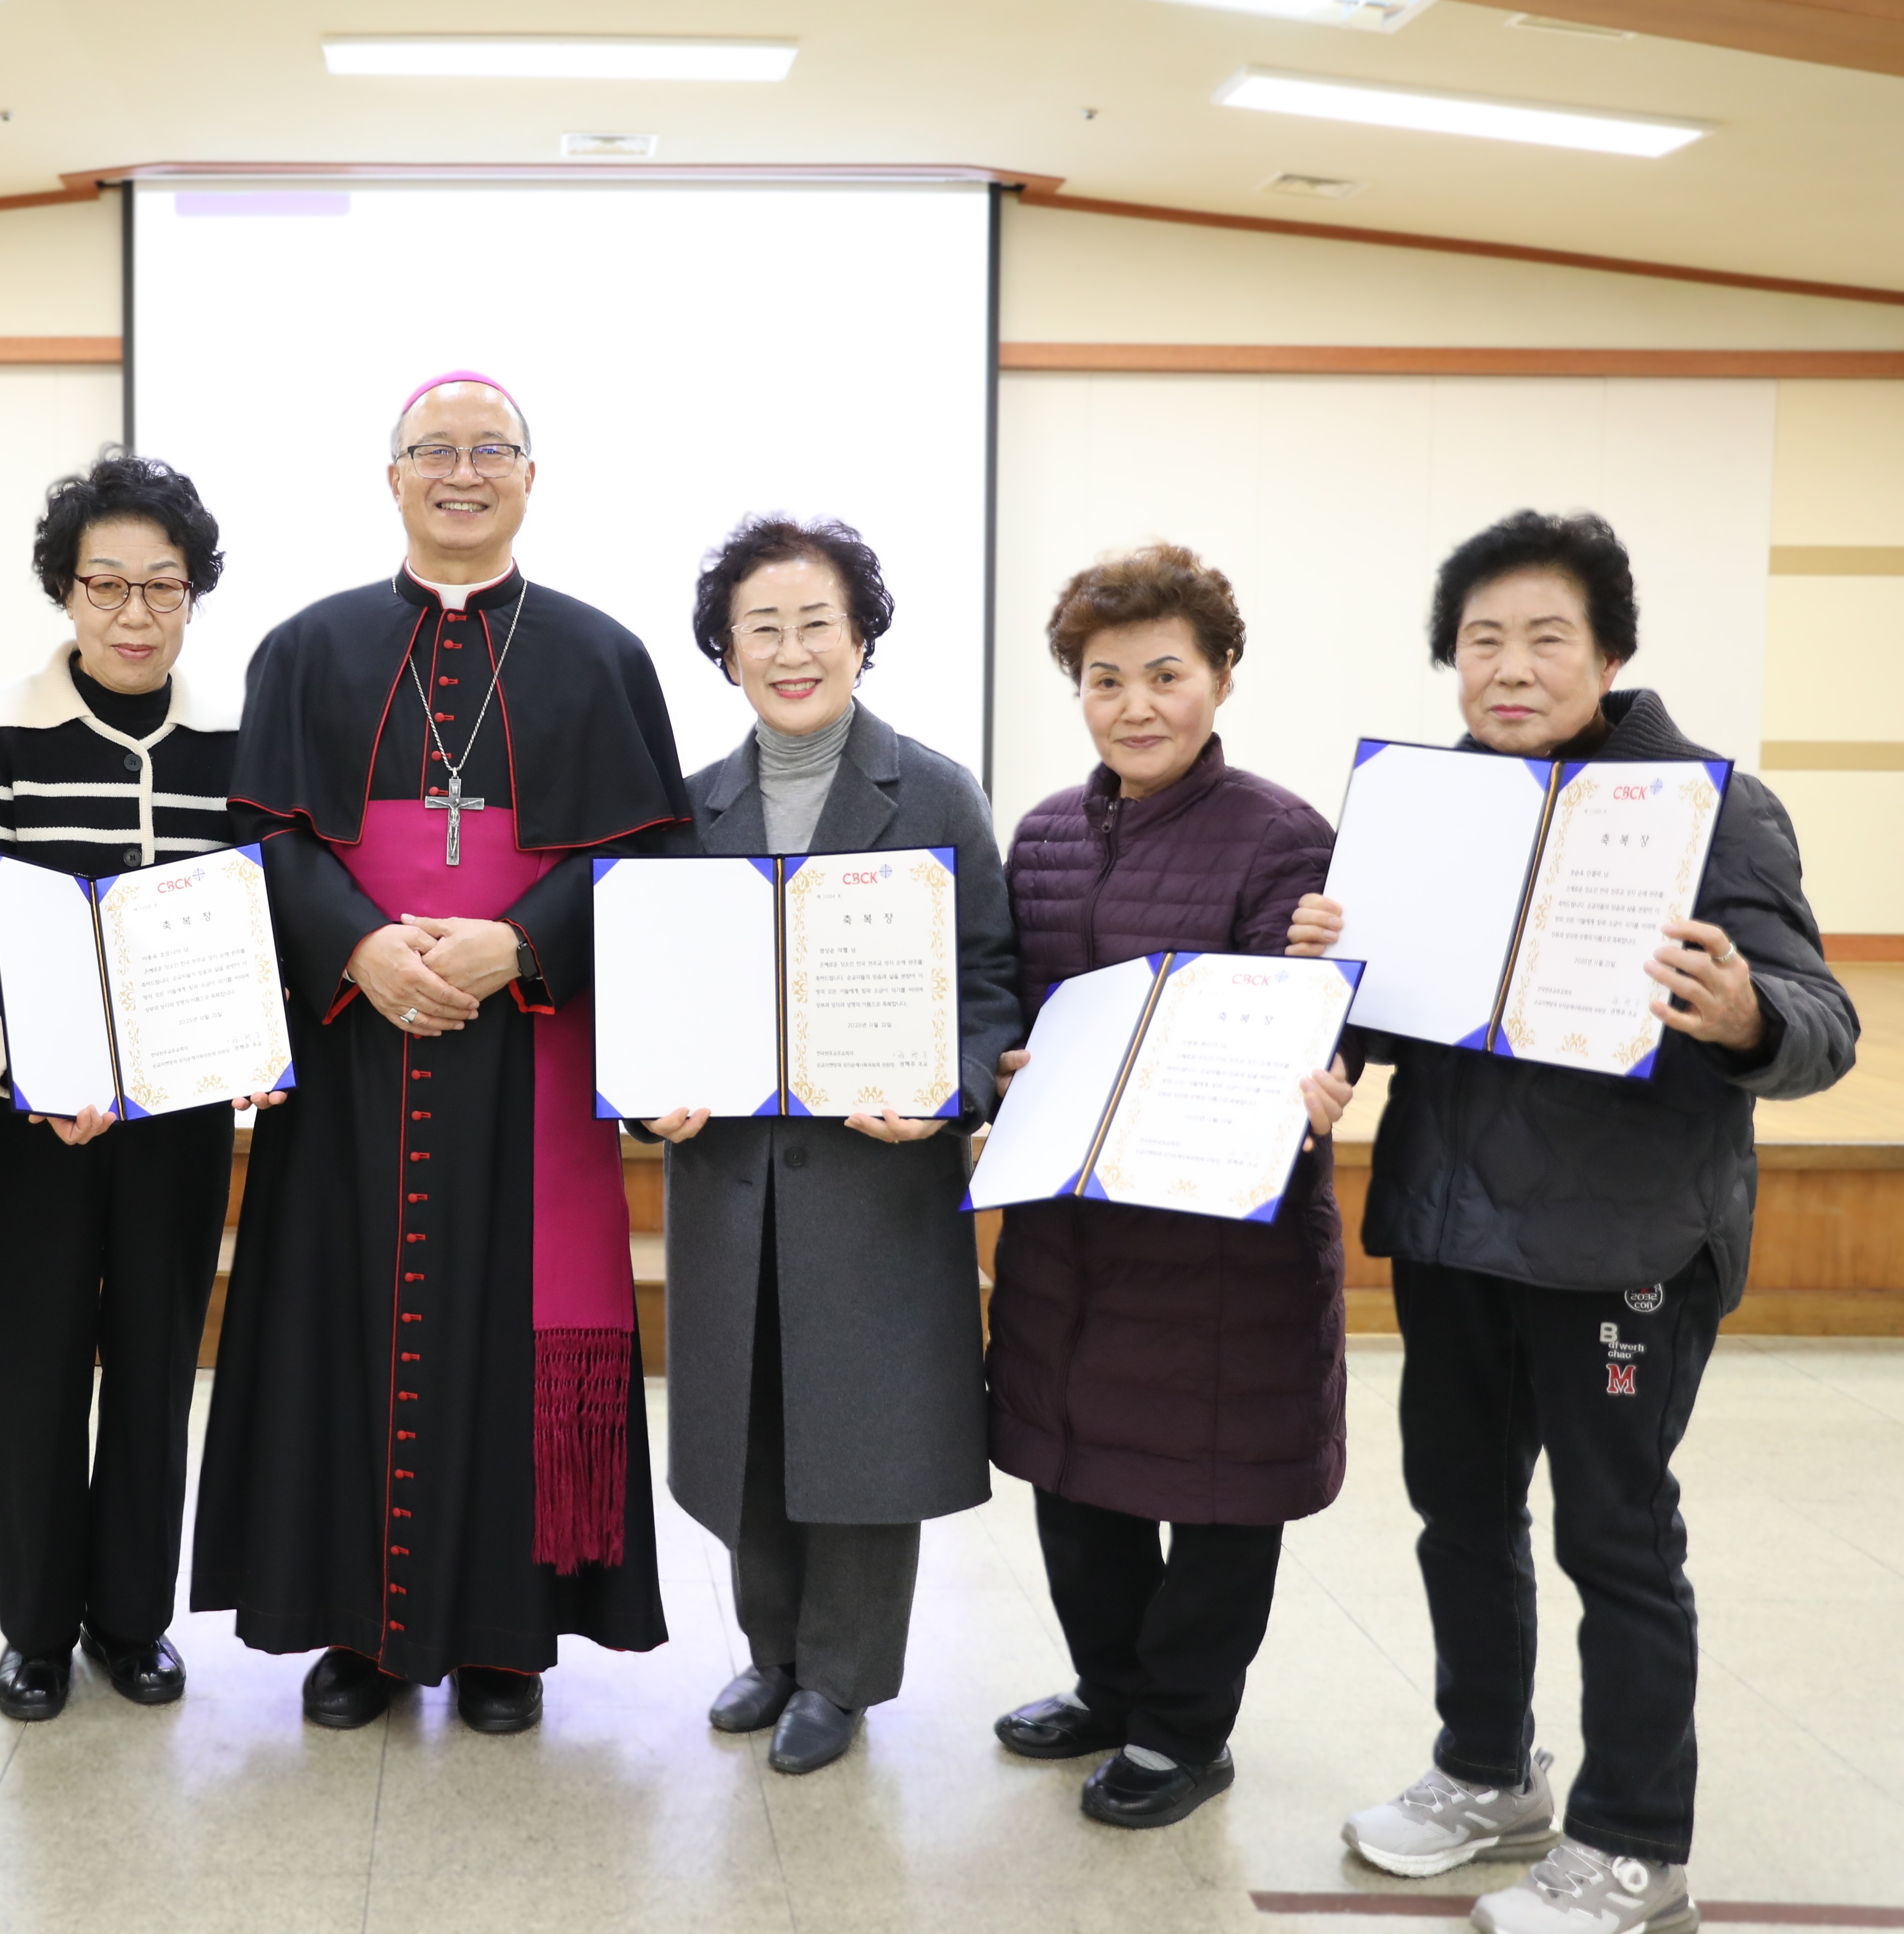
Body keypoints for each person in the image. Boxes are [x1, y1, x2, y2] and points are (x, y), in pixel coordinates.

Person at [1307, 513, 1856, 1934]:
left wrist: (1743, 1016)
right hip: (1449, 1228)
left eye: (1546, 634)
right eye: (1481, 638)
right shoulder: (1433, 806)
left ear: (1610, 649)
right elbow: (1392, 1007)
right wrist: (1324, 990)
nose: (1511, 665)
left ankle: (1634, 1844)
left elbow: (1822, 1024)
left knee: (1617, 1540)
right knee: (1460, 1517)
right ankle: (1488, 1772)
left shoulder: (1707, 807)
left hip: (1625, 1247)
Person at [191, 371, 688, 1735]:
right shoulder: (307, 647)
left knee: (512, 1331)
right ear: (392, 476)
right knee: (339, 1320)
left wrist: (518, 945)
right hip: (357, 1052)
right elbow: (270, 841)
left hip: (526, 1054)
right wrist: (358, 948)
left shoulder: (599, 656)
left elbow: (644, 855)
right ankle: (353, 1629)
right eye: (434, 451)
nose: (461, 471)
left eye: (491, 450)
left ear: (532, 475)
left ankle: (504, 1639)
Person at [640, 515, 1023, 1775]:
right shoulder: (689, 808)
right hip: (731, 1178)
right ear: (726, 651)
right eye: (764, 628)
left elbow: (986, 984)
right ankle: (773, 1651)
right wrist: (651, 1097)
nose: (793, 651)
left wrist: (952, 1090)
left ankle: (844, 1679)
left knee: (857, 1430)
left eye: (818, 624)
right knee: (750, 1419)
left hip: (875, 1173)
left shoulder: (937, 791)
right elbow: (648, 994)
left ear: (862, 639)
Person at [986, 542, 1356, 1829]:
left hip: (1222, 1243)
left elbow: (1307, 1016)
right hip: (1070, 1234)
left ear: (1222, 678)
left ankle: (1186, 1731)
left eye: (1165, 674)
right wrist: (1010, 1067)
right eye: (1104, 679)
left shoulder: (1283, 835)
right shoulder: (1037, 835)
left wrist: (1316, 1070)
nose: (1135, 704)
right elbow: (1006, 1012)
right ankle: (1112, 1686)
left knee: (1213, 1485)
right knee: (1074, 1469)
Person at [0, 451, 282, 1723]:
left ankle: (133, 1620)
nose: (136, 614)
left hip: (179, 1124)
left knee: (153, 1362)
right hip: (32, 1124)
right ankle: (35, 1632)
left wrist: (255, 1050)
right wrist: (30, 1070)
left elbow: (260, 924)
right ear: (66, 593)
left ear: (196, 596)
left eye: (163, 588)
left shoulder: (236, 745)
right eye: (108, 586)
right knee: (33, 1366)